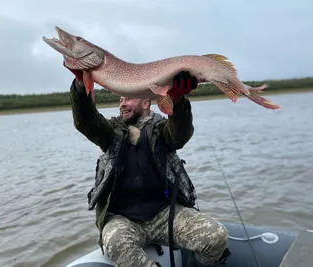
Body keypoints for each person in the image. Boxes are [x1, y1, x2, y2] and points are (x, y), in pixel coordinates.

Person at [65, 62, 230, 267]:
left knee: (216, 236)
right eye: (120, 99)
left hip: (165, 214)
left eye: (129, 98)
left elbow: (179, 135)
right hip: (122, 219)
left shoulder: (161, 129)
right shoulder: (109, 132)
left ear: (145, 103)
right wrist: (81, 86)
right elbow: (85, 121)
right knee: (116, 244)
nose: (122, 104)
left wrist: (177, 102)